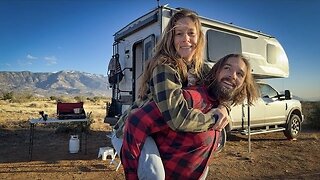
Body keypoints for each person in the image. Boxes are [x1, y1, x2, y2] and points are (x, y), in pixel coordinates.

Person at [121, 53, 259, 179]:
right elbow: (135, 121)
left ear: (243, 85)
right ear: (216, 72)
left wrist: (224, 108)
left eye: (240, 74)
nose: (233, 75)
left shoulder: (217, 106)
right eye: (227, 68)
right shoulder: (193, 98)